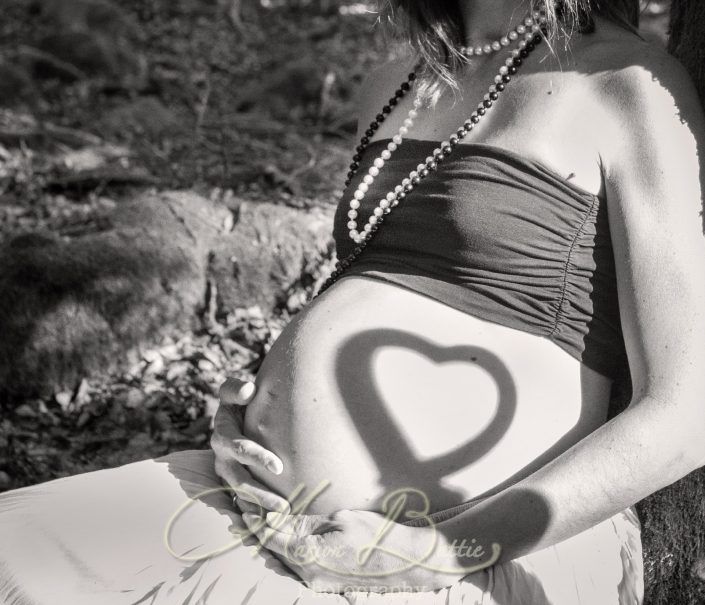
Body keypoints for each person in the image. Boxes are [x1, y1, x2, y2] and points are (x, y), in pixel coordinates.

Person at [1, 1, 704, 603]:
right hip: (274, 513)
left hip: (479, 546)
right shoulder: (394, 86)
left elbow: (686, 413)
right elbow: (392, 289)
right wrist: (257, 413)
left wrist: (434, 550)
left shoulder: (626, 88)